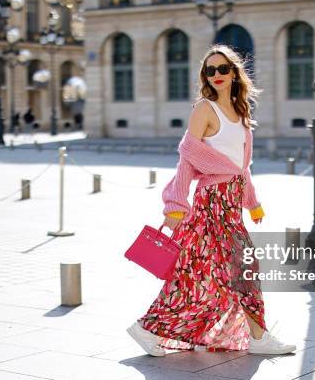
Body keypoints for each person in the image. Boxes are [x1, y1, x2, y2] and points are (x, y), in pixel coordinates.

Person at [127, 45, 296, 357]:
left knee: (200, 272)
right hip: (212, 204)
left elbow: (241, 166)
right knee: (237, 267)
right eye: (210, 70)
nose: (216, 75)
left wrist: (252, 201)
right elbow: (187, 160)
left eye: (222, 69)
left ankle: (147, 328)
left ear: (234, 73)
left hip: (231, 203)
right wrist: (175, 205)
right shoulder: (204, 109)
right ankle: (258, 338)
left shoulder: (241, 111)